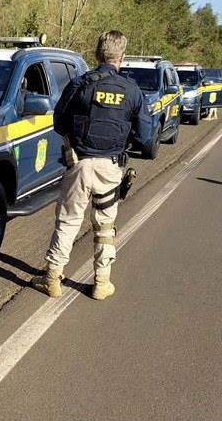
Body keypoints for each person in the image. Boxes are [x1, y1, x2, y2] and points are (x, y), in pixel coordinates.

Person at [31, 30, 153, 300]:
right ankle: (101, 282)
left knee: (68, 221)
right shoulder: (132, 91)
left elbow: (59, 123)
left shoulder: (79, 84)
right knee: (105, 226)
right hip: (111, 168)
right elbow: (145, 135)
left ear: (97, 54)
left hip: (79, 164)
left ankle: (52, 277)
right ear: (122, 57)